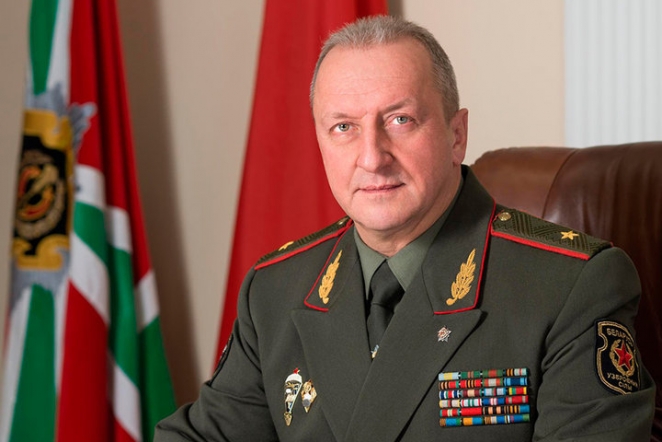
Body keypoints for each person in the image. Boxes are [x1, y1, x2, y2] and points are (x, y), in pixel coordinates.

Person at [155, 15, 655, 441]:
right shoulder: (274, 289)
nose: (372, 157)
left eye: (399, 120)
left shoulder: (570, 287)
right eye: (344, 127)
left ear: (456, 135)